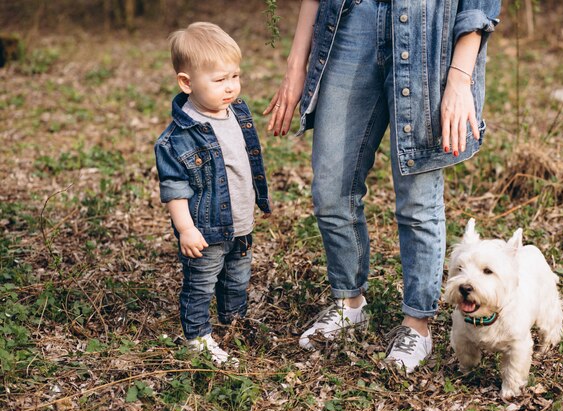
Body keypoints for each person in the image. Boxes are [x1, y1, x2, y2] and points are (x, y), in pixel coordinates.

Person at [264, 0, 501, 373]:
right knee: (330, 189)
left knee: (417, 200)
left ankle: (417, 325)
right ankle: (349, 303)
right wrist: (297, 65)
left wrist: (459, 77)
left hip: (428, 31)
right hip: (350, 23)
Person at [155, 22, 271, 365]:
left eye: (234, 76)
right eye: (219, 81)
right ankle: (197, 336)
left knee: (237, 278)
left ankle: (233, 322)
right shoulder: (177, 138)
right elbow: (175, 190)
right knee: (201, 283)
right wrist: (186, 229)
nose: (231, 87)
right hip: (205, 229)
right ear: (186, 83)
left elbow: (244, 163)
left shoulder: (237, 112)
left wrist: (258, 200)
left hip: (240, 222)